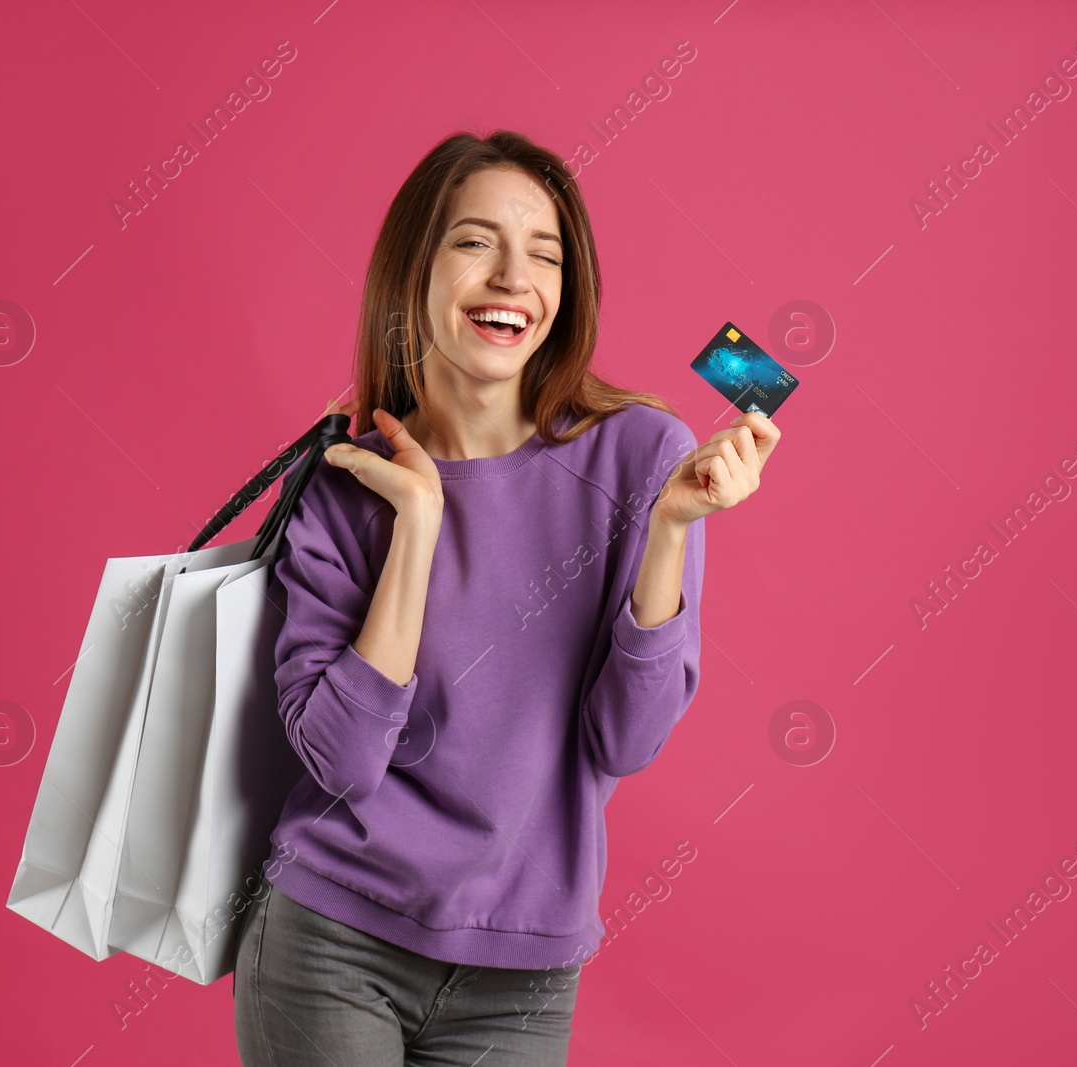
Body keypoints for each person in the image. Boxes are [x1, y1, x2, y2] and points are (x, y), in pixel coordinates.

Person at [234, 129, 780, 1066]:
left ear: (567, 293)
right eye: (475, 241)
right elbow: (344, 761)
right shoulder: (343, 483)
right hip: (331, 939)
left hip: (522, 973)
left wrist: (671, 529)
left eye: (545, 252)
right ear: (416, 270)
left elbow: (627, 741)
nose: (512, 277)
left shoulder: (642, 456)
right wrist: (416, 524)